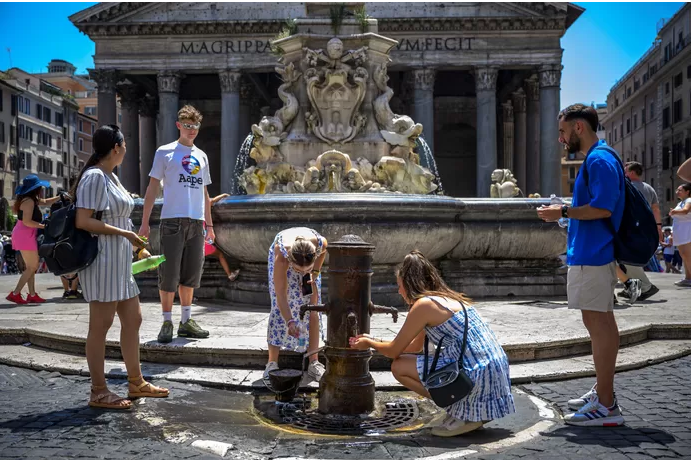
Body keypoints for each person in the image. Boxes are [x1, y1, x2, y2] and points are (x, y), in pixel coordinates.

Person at [350, 251, 515, 437]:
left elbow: (394, 351)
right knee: (404, 361)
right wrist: (375, 340)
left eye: (399, 285)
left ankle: (458, 409)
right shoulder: (447, 298)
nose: (399, 291)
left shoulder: (423, 305)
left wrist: (369, 343)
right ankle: (467, 410)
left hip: (475, 372)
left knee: (398, 367)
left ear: (408, 283)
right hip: (494, 368)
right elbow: (414, 347)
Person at [537, 104, 625, 426]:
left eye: (562, 131)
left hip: (594, 254)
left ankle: (606, 406)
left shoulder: (599, 159)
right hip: (592, 252)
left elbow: (603, 208)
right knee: (599, 325)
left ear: (578, 128)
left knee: (599, 326)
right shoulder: (599, 157)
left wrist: (562, 213)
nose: (560, 139)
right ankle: (603, 392)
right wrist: (566, 213)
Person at [74, 124, 168, 409]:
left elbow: (120, 215)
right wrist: (125, 234)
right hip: (102, 261)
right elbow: (83, 221)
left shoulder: (111, 177)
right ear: (116, 147)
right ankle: (99, 391)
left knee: (134, 318)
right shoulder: (94, 177)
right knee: (100, 326)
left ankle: (136, 382)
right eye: (124, 144)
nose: (126, 149)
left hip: (119, 261)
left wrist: (135, 245)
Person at [139, 105, 214, 344]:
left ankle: (185, 321)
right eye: (187, 125)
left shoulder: (202, 156)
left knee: (191, 273)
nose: (192, 130)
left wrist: (209, 225)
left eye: (195, 126)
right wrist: (144, 222)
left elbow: (205, 193)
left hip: (196, 221)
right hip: (172, 220)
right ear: (178, 125)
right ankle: (167, 321)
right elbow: (152, 188)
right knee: (168, 274)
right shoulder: (165, 152)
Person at [263, 227, 327, 387]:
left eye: (306, 268)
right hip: (288, 260)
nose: (301, 272)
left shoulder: (320, 243)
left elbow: (323, 252)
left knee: (313, 308)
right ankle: (271, 363)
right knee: (278, 311)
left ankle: (314, 362)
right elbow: (281, 296)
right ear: (291, 262)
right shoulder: (282, 255)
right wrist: (290, 321)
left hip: (310, 270)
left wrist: (314, 272)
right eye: (298, 270)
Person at [6, 175, 61, 304]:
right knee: (32, 266)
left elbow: (46, 202)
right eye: (40, 187)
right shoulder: (29, 201)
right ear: (35, 189)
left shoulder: (30, 199)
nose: (41, 189)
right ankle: (15, 293)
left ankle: (32, 294)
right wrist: (43, 225)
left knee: (31, 266)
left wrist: (60, 196)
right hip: (25, 234)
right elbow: (27, 221)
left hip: (25, 233)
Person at [615, 161, 662, 302]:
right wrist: (658, 226)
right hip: (644, 227)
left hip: (630, 227)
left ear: (632, 172)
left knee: (626, 257)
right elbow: (655, 208)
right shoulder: (649, 188)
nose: (623, 172)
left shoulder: (627, 186)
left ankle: (644, 286)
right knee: (625, 257)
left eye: (626, 170)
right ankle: (632, 287)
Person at [205, 193, 240, 281]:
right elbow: (211, 201)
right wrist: (223, 195)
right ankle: (229, 274)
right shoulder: (205, 209)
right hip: (206, 245)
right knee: (220, 254)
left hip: (196, 244)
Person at [669, 183, 691, 287]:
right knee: (684, 256)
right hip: (681, 232)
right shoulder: (681, 202)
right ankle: (688, 278)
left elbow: (686, 211)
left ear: (687, 192)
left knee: (687, 255)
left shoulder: (689, 200)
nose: (677, 192)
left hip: (686, 231)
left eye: (680, 190)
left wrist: (674, 211)